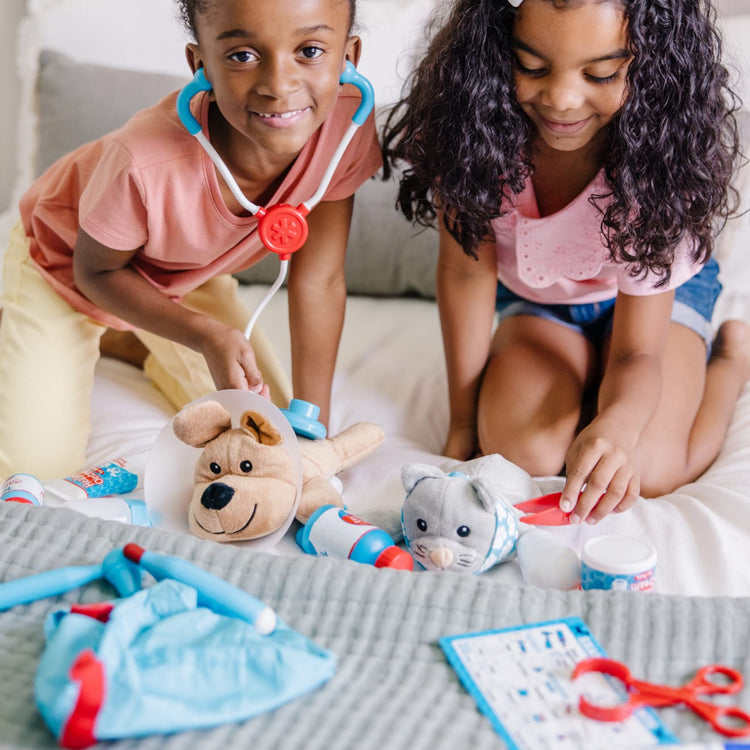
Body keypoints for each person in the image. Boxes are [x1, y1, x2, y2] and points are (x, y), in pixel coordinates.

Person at [383, 0, 750, 524]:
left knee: (651, 470)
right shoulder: (473, 136)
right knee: (521, 453)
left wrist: (617, 424)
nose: (560, 99)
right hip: (542, 301)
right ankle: (581, 377)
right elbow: (466, 271)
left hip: (651, 311)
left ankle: (732, 362)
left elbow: (638, 353)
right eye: (532, 67)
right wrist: (461, 424)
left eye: (600, 74)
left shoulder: (660, 168)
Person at [0, 0, 381, 481]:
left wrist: (312, 427)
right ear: (200, 65)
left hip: (185, 271)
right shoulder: (143, 160)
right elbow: (93, 271)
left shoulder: (346, 129)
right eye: (243, 55)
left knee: (271, 439)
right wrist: (205, 335)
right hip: (67, 266)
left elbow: (320, 281)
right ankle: (42, 328)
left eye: (309, 50)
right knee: (35, 473)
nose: (279, 86)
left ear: (349, 57)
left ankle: (132, 341)